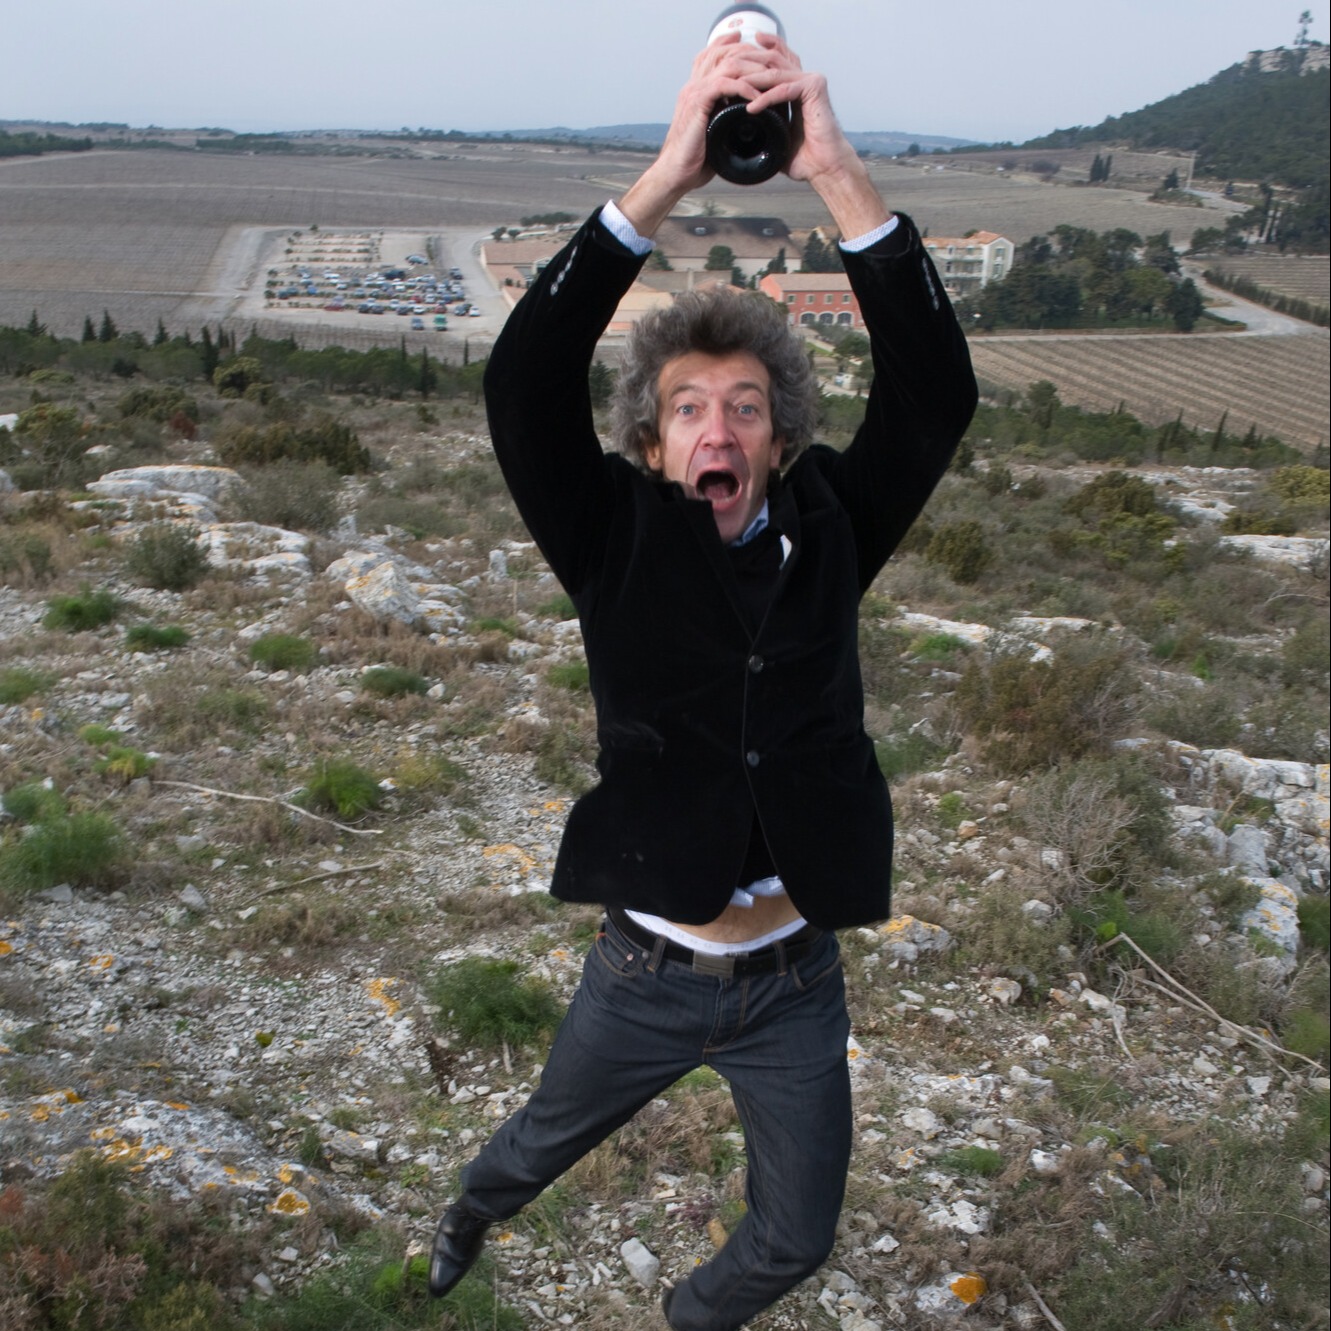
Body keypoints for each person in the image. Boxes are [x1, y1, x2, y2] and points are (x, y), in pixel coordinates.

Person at [429, 28, 977, 1331]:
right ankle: (471, 1208)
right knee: (541, 1139)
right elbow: (520, 385)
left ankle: (686, 1322)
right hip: (646, 969)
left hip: (795, 981)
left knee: (797, 1236)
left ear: (780, 435)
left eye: (744, 404)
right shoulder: (610, 537)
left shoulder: (836, 524)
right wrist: (668, 174)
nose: (717, 426)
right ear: (652, 439)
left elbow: (936, 395)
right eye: (687, 406)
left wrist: (834, 168)